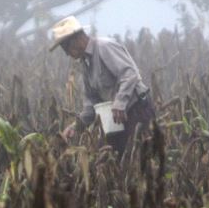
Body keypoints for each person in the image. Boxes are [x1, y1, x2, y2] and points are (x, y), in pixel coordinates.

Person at [50, 16, 155, 156]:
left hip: (137, 110)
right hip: (117, 118)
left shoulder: (105, 47)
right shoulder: (85, 63)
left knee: (140, 158)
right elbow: (92, 101)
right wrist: (77, 126)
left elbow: (130, 73)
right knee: (118, 159)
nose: (66, 53)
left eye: (65, 47)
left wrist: (120, 102)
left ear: (77, 39)